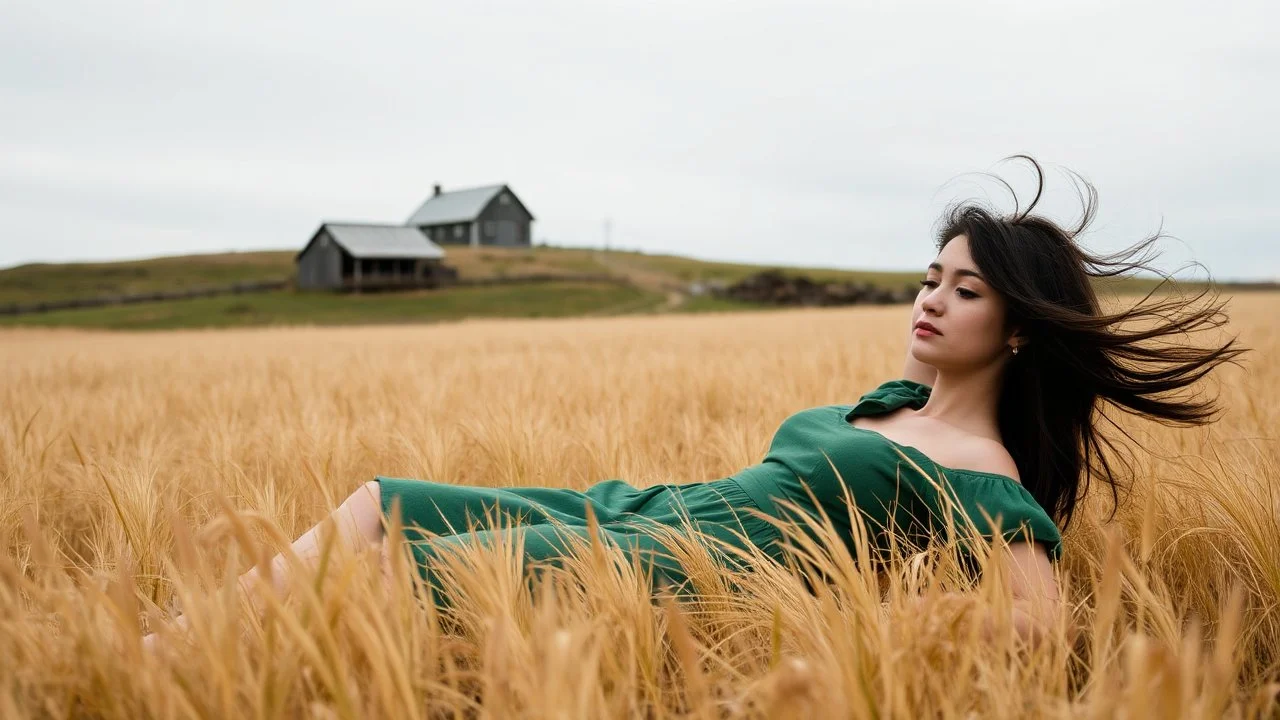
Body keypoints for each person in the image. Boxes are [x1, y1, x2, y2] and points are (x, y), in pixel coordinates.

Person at [144, 156, 1246, 649]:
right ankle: (178, 646)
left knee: (401, 573)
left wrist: (854, 624)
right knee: (381, 499)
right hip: (647, 507)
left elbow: (1032, 620)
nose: (929, 298)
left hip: (676, 570)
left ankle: (177, 673)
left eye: (963, 290)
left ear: (1012, 328)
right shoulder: (885, 403)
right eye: (928, 275)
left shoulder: (981, 471)